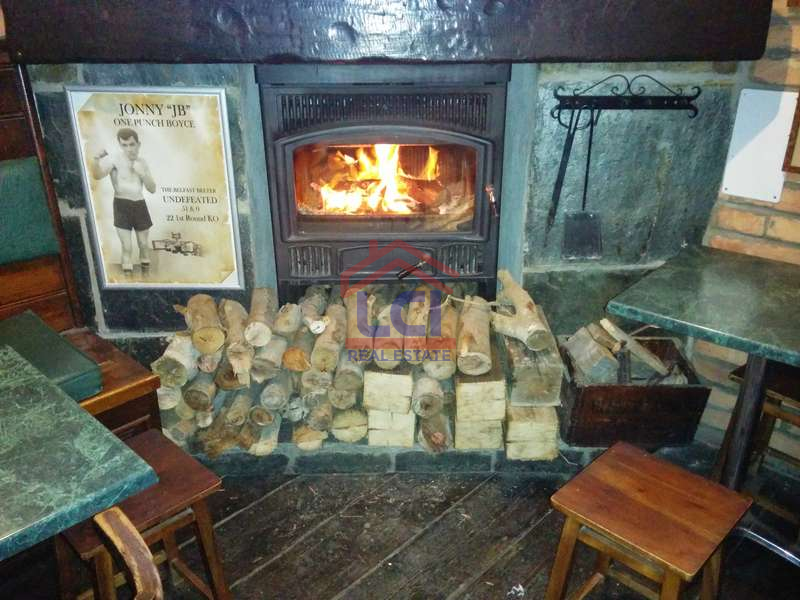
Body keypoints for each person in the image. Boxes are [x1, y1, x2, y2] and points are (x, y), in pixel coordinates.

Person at [89, 128, 156, 273]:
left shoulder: (142, 162)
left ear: (138, 144)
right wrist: (96, 159)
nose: (129, 149)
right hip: (121, 204)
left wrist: (143, 174)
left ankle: (147, 277)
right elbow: (97, 175)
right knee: (127, 246)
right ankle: (129, 279)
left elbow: (152, 189)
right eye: (124, 145)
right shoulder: (114, 160)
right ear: (120, 145)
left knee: (143, 244)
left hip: (139, 204)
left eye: (132, 144)